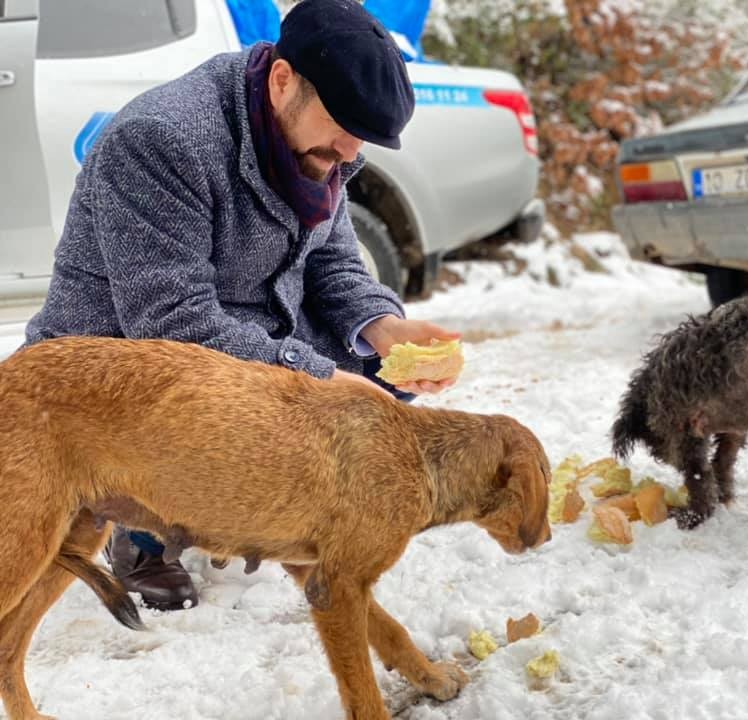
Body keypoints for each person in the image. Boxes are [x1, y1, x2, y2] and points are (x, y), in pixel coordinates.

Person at [24, 0, 459, 611]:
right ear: (283, 82)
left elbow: (332, 263)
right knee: (313, 392)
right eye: (338, 137)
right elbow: (171, 324)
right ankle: (146, 533)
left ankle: (264, 509)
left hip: (237, 327)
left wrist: (385, 329)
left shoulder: (323, 141)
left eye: (356, 147)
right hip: (122, 364)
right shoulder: (163, 138)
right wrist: (313, 379)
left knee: (378, 379)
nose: (346, 157)